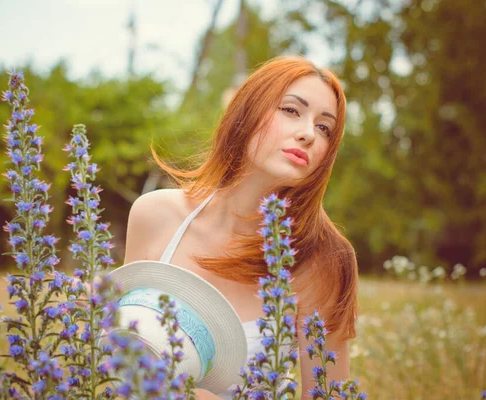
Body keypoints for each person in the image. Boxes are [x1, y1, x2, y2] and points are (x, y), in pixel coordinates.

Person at [123, 55, 359, 399]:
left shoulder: (323, 260)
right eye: (291, 110)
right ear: (246, 111)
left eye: (324, 127)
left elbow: (329, 395)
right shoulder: (154, 214)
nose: (308, 133)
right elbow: (112, 356)